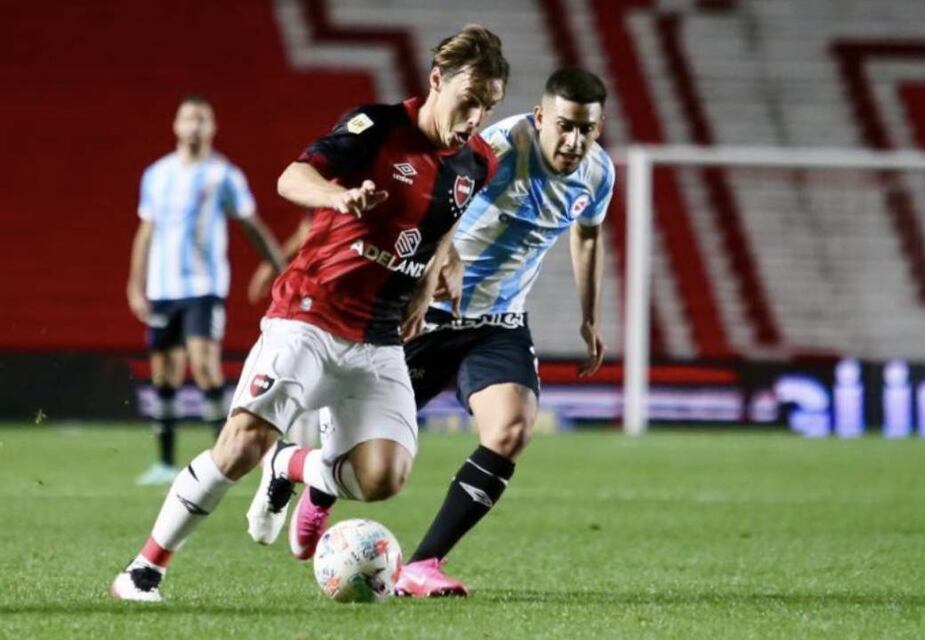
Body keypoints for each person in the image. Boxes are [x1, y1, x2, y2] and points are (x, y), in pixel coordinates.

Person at [110, 24, 508, 602]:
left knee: (383, 478)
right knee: (242, 441)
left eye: (488, 106)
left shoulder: (478, 163)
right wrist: (336, 196)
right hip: (311, 313)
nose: (474, 116)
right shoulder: (375, 127)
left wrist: (428, 280)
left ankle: (293, 466)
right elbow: (292, 175)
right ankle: (144, 569)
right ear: (437, 80)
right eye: (469, 101)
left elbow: (445, 225)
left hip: (378, 337)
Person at [250, 68, 615, 597]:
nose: (575, 140)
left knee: (511, 430)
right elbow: (441, 209)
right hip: (431, 315)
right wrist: (430, 278)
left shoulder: (598, 174)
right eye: (565, 126)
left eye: (588, 129)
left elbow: (588, 235)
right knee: (363, 459)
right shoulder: (497, 150)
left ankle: (423, 565)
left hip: (498, 324)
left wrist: (590, 317)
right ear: (540, 118)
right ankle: (294, 466)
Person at [126, 95, 285, 486]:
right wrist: (136, 283)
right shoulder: (156, 174)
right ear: (176, 125)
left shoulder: (223, 175)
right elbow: (146, 230)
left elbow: (250, 224)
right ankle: (164, 462)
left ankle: (223, 456)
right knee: (164, 374)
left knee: (204, 365)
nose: (194, 125)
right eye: (188, 118)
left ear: (212, 127)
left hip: (203, 286)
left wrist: (280, 268)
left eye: (201, 119)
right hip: (163, 288)